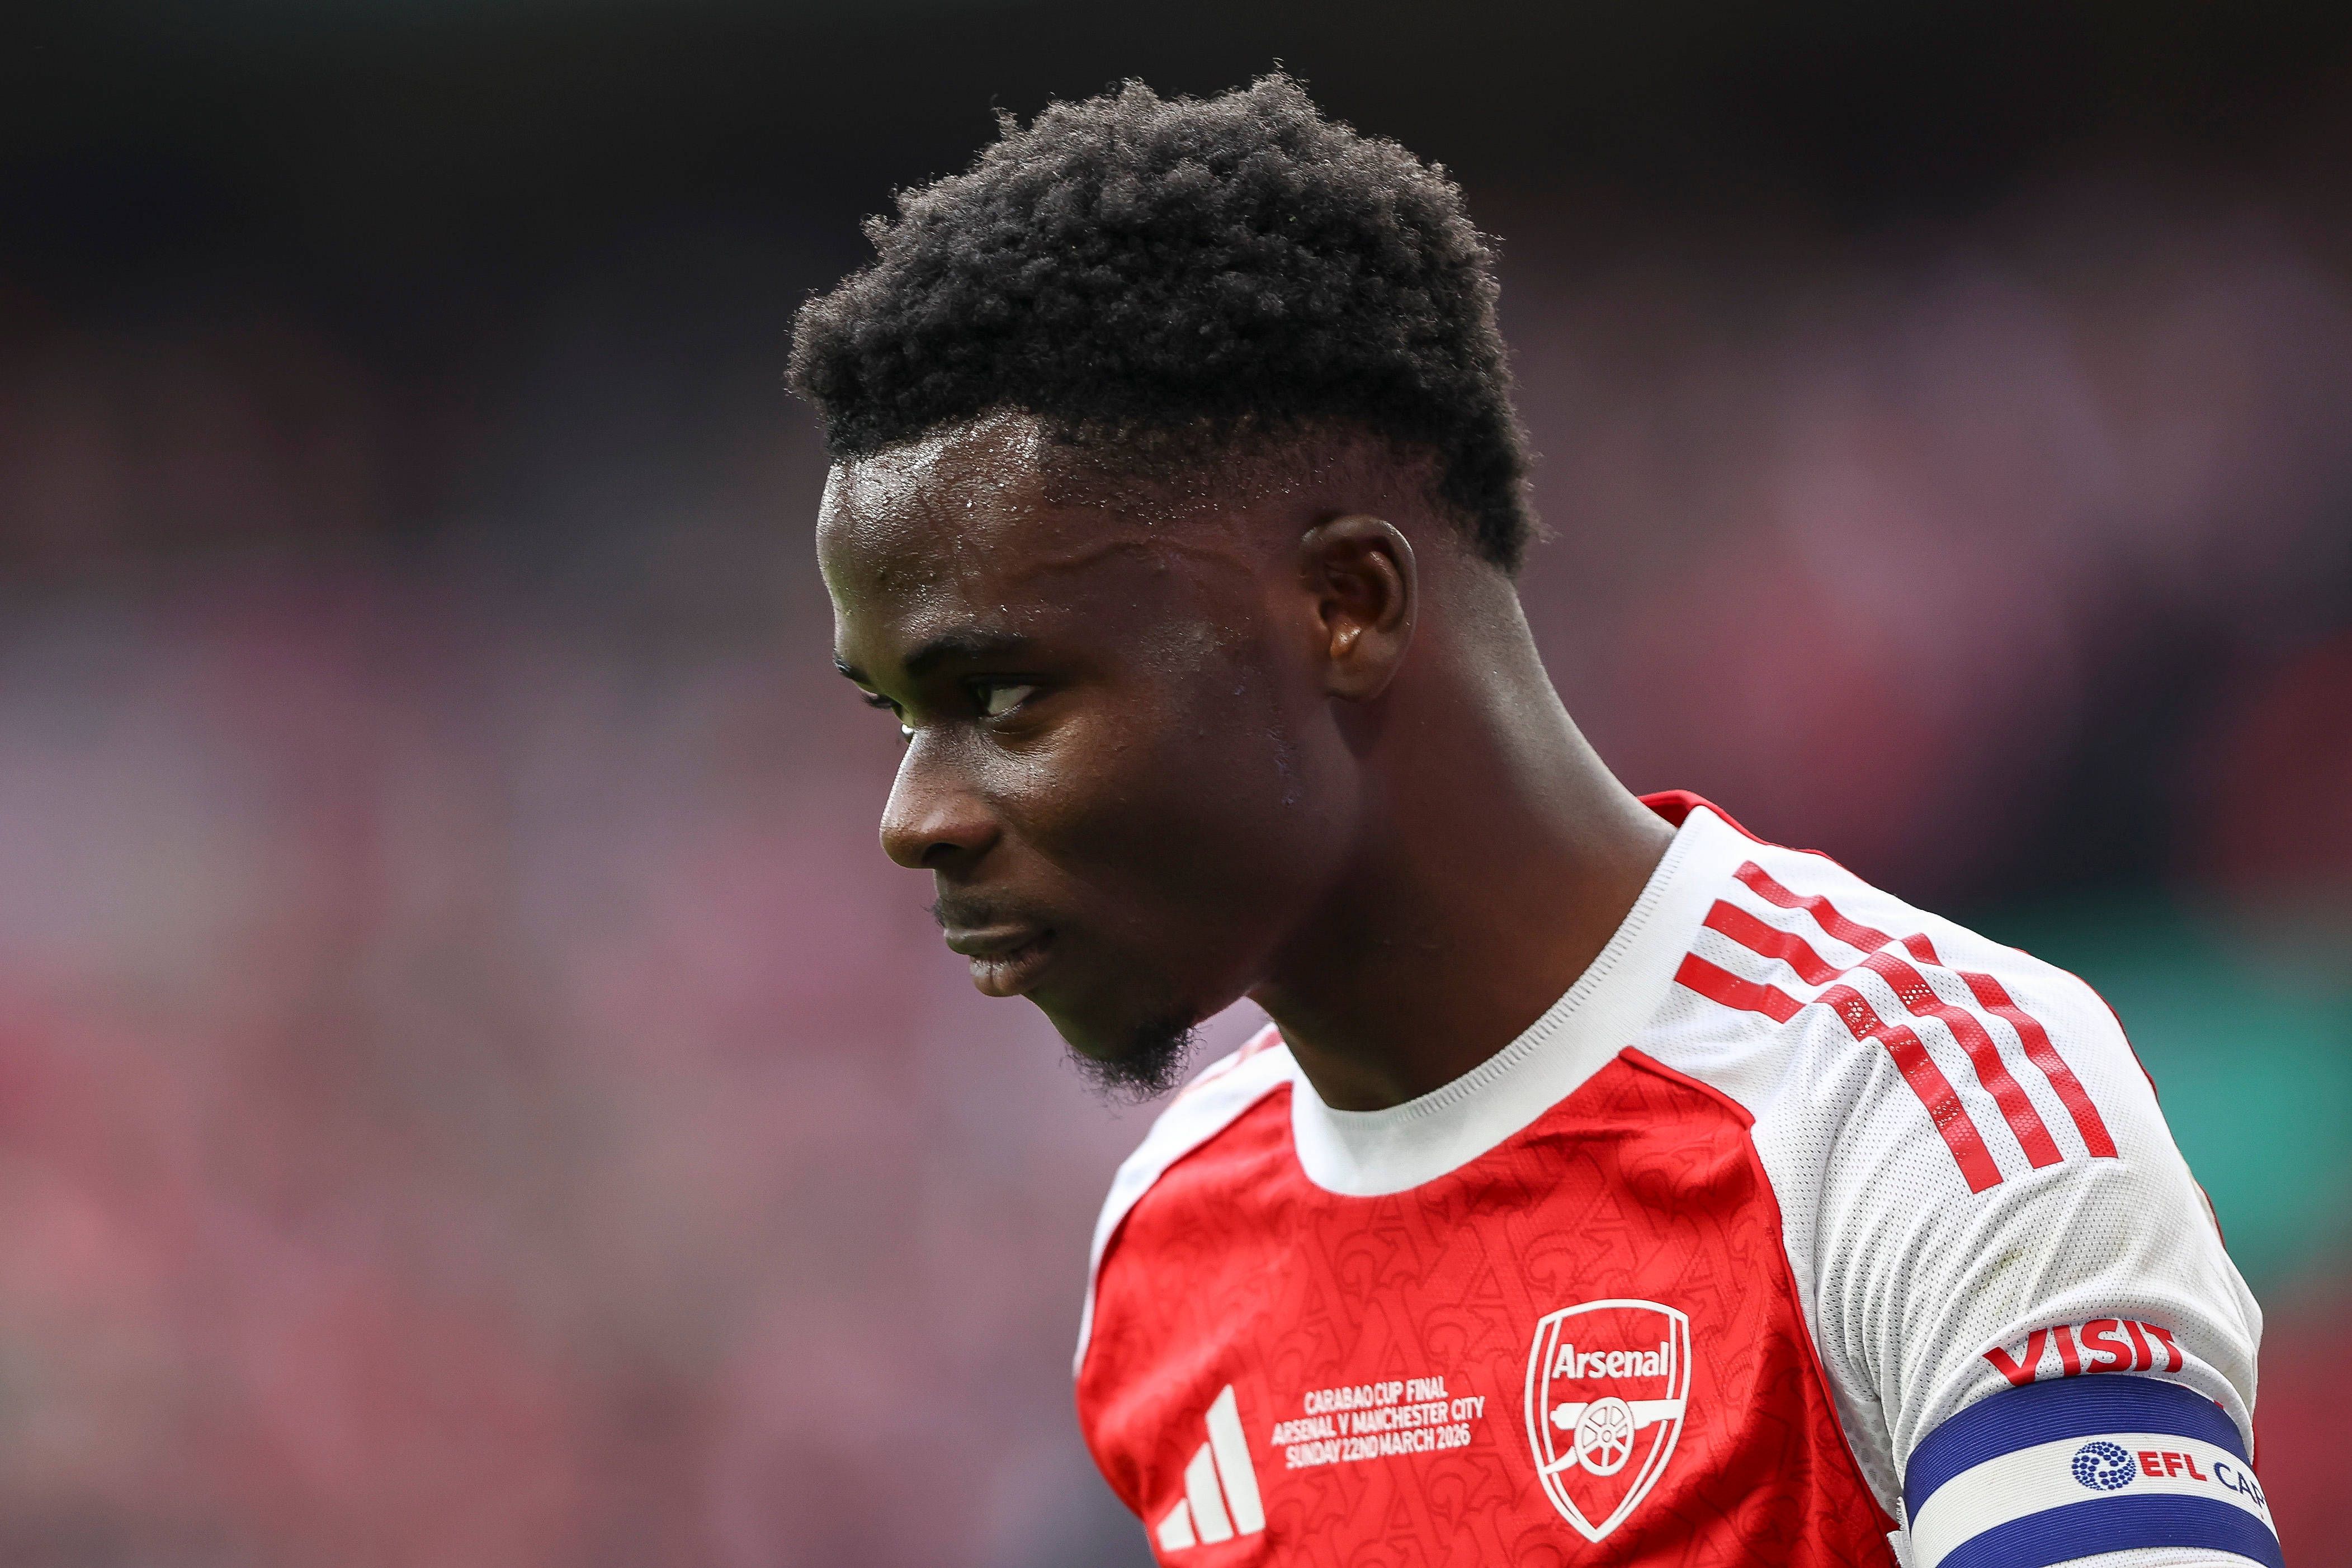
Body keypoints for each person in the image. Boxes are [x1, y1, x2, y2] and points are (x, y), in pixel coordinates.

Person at [788, 74, 2273, 1568]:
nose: (915, 816)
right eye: (900, 714)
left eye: (1006, 694)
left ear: (1346, 604)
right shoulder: (1170, 1239)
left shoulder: (1908, 1110)